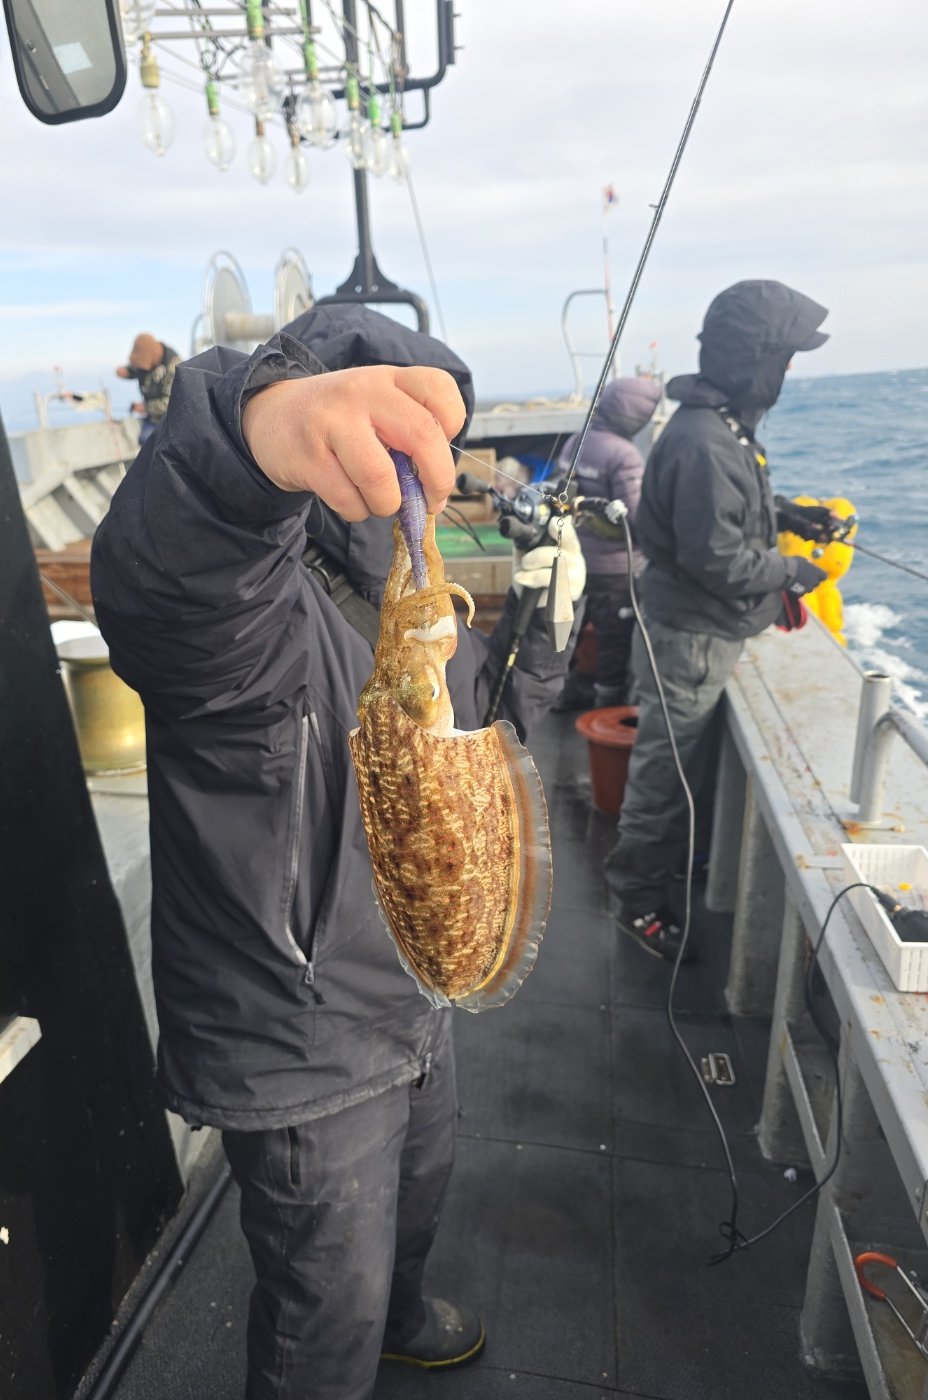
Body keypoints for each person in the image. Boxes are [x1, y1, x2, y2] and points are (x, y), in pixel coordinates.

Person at [90, 306, 583, 1400]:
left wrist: (544, 627)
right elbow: (164, 586)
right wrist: (252, 437)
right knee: (326, 1301)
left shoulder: (412, 591)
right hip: (302, 1028)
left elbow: (483, 730)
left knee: (420, 1194)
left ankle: (403, 1315)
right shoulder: (245, 616)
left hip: (412, 988)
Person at [603, 280, 834, 961]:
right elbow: (718, 558)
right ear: (753, 361)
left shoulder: (715, 426)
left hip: (690, 630)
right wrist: (792, 570)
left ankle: (666, 867)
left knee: (675, 767)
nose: (786, 370)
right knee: (665, 774)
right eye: (783, 358)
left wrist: (788, 515)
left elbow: (718, 513)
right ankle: (638, 901)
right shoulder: (705, 440)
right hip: (692, 640)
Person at [554, 376, 662, 709]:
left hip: (574, 559)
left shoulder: (575, 441)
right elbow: (635, 519)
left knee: (568, 632)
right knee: (613, 636)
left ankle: (561, 694)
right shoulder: (624, 454)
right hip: (614, 570)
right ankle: (608, 703)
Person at [115, 332, 180, 444]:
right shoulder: (149, 355)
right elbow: (141, 368)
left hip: (170, 420)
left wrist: (145, 408)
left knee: (150, 440)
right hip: (152, 417)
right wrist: (128, 372)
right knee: (144, 440)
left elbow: (169, 403)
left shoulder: (174, 368)